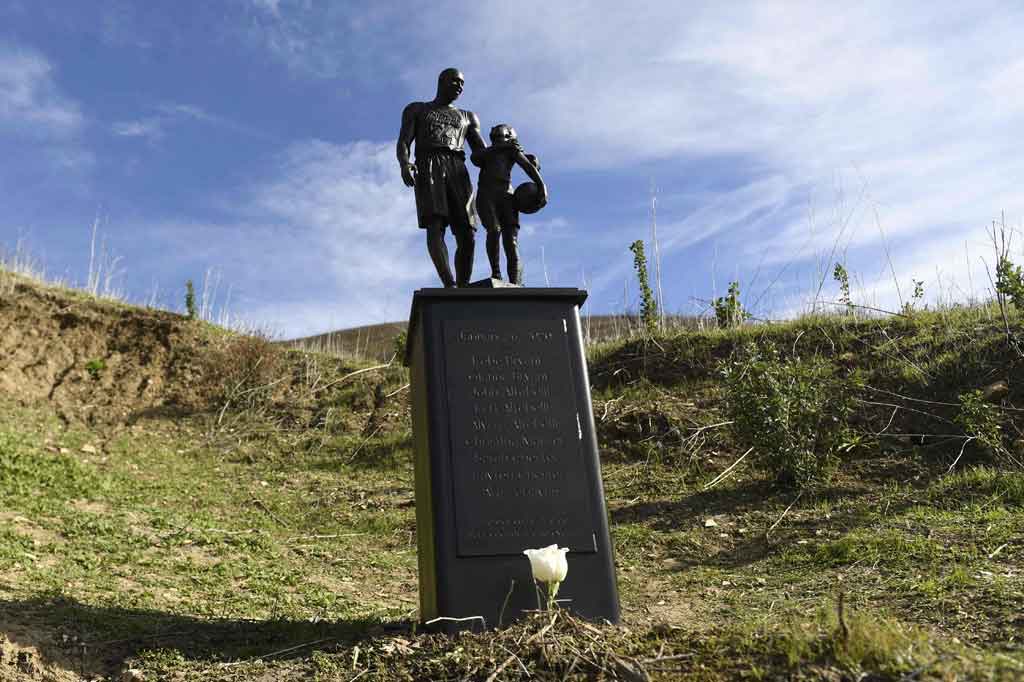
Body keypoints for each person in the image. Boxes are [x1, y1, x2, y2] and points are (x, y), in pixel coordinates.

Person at [396, 68, 486, 287]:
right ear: (441, 81)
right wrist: (404, 163)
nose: (459, 86)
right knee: (435, 224)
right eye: (455, 81)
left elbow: (480, 153)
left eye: (462, 83)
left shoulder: (468, 117)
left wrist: (506, 152)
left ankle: (463, 287)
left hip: (458, 167)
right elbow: (404, 142)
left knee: (468, 230)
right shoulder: (417, 109)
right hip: (429, 164)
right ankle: (449, 284)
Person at [470, 124, 547, 285]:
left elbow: (528, 167)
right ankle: (496, 272)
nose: (499, 140)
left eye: (502, 136)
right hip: (487, 195)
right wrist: (503, 146)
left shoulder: (512, 150)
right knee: (493, 230)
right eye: (496, 137)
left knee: (511, 241)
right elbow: (475, 158)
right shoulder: (488, 153)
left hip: (507, 196)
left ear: (509, 137)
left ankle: (516, 282)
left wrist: (542, 186)